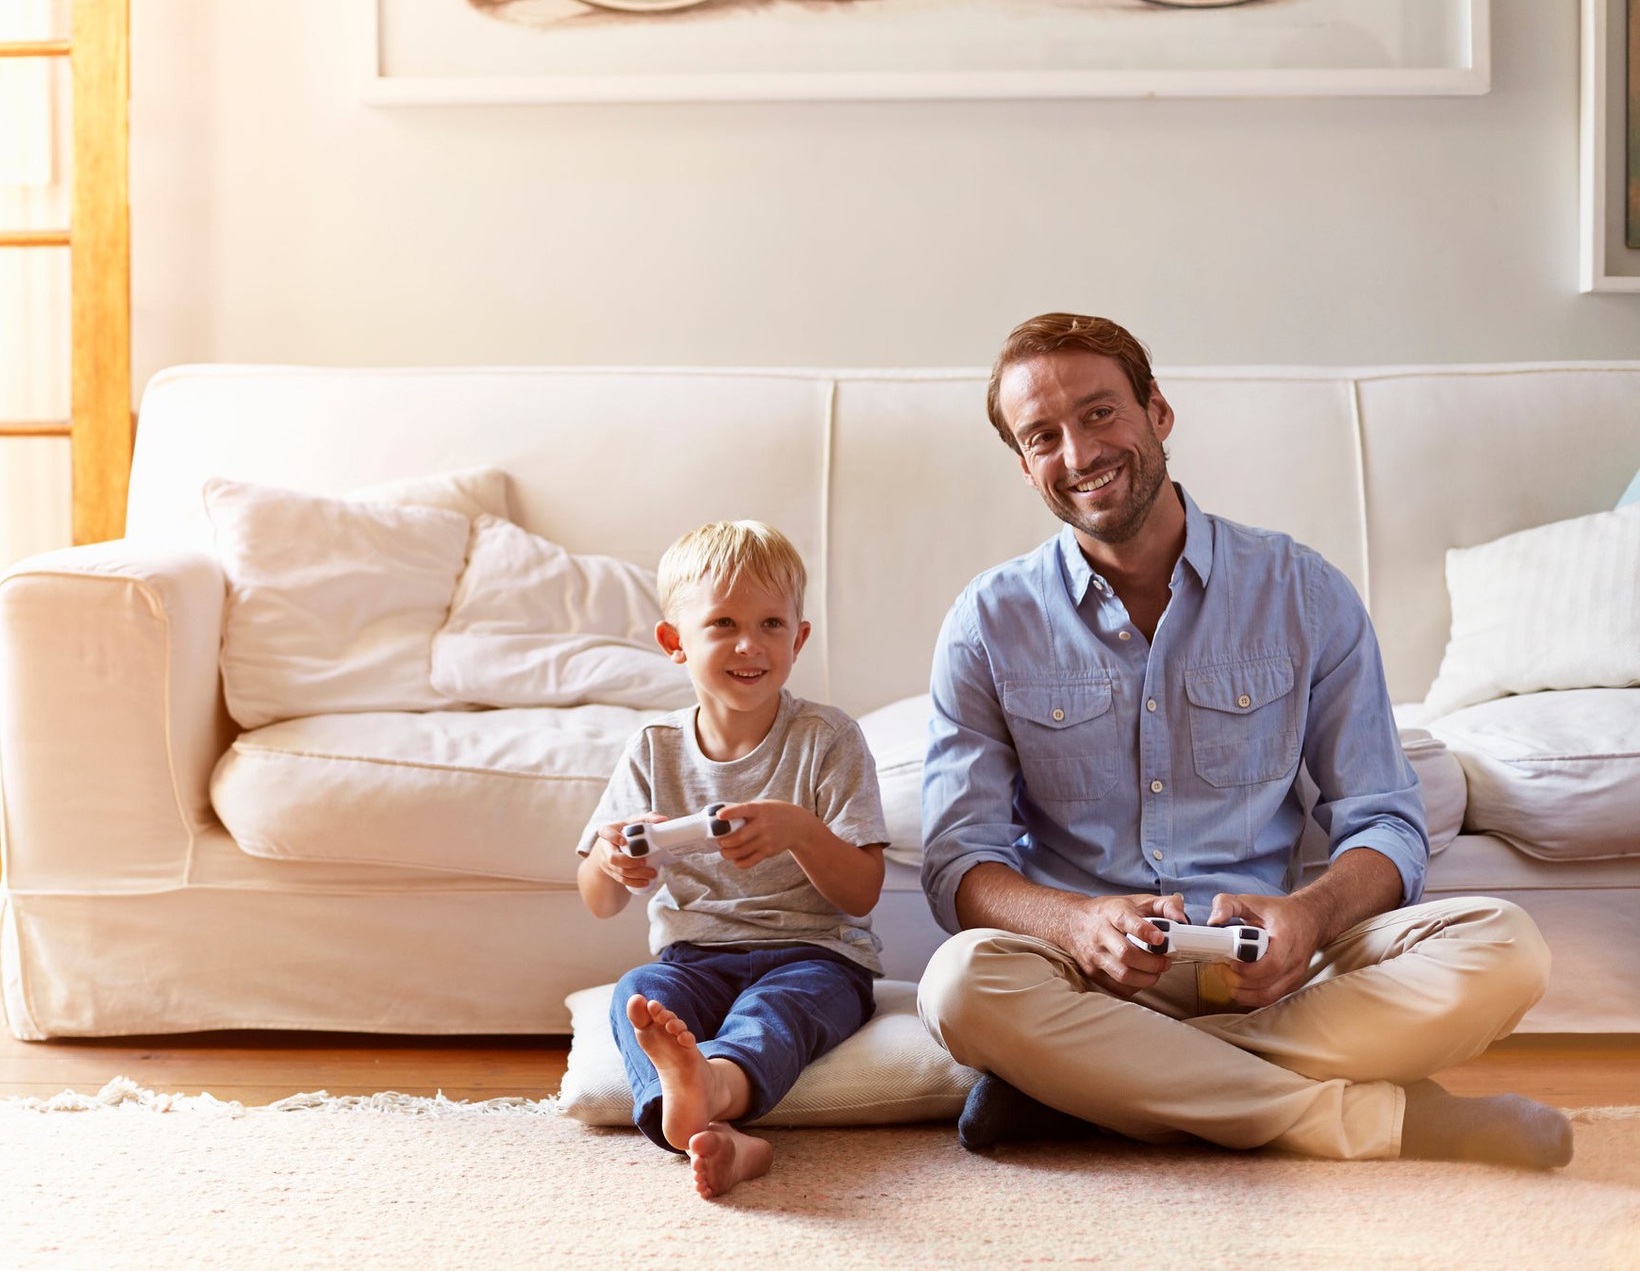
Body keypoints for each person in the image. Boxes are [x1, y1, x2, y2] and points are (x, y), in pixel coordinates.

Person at [917, 312, 1571, 1168]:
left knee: (1507, 946)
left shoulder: (1304, 593)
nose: (1079, 453)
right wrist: (1076, 925)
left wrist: (1308, 916)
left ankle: (1089, 1088)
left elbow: (1385, 821)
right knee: (959, 984)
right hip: (1084, 979)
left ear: (1158, 411)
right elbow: (959, 864)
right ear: (1023, 461)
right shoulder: (986, 622)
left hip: (1271, 975)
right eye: (1043, 435)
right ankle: (1375, 1121)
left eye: (1100, 412)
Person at [577, 520, 889, 1198]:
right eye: (723, 623)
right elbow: (598, 899)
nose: (751, 644)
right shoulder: (653, 748)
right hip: (695, 959)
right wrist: (611, 862)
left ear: (798, 639)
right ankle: (721, 1134)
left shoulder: (828, 738)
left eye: (772, 623)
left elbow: (862, 891)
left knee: (780, 1007)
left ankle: (708, 1090)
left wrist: (801, 832)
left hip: (815, 954)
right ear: (675, 643)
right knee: (637, 992)